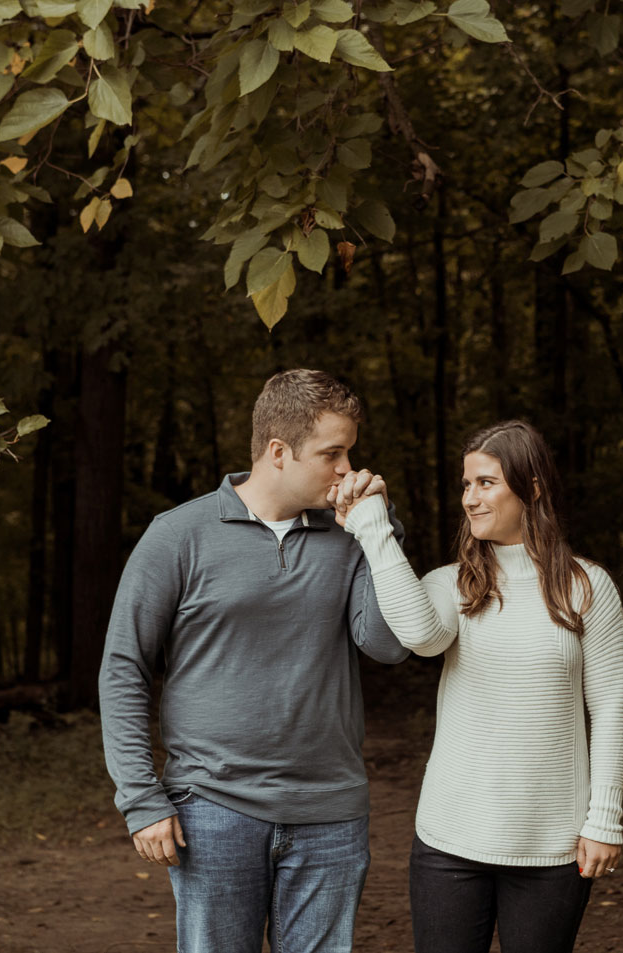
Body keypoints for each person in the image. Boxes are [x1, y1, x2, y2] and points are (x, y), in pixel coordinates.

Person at [98, 368, 410, 953]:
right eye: (333, 453)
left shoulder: (354, 534)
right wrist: (141, 800)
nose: (348, 469)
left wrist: (378, 529)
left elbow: (387, 646)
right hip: (212, 810)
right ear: (278, 452)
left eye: (351, 453)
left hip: (330, 813)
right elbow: (123, 668)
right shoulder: (177, 535)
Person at [330, 419, 623, 953]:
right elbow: (421, 637)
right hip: (450, 842)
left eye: (485, 482)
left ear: (531, 487)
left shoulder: (587, 587)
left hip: (553, 846)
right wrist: (372, 524)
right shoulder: (453, 583)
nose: (470, 498)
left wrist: (604, 819)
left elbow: (610, 708)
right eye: (466, 484)